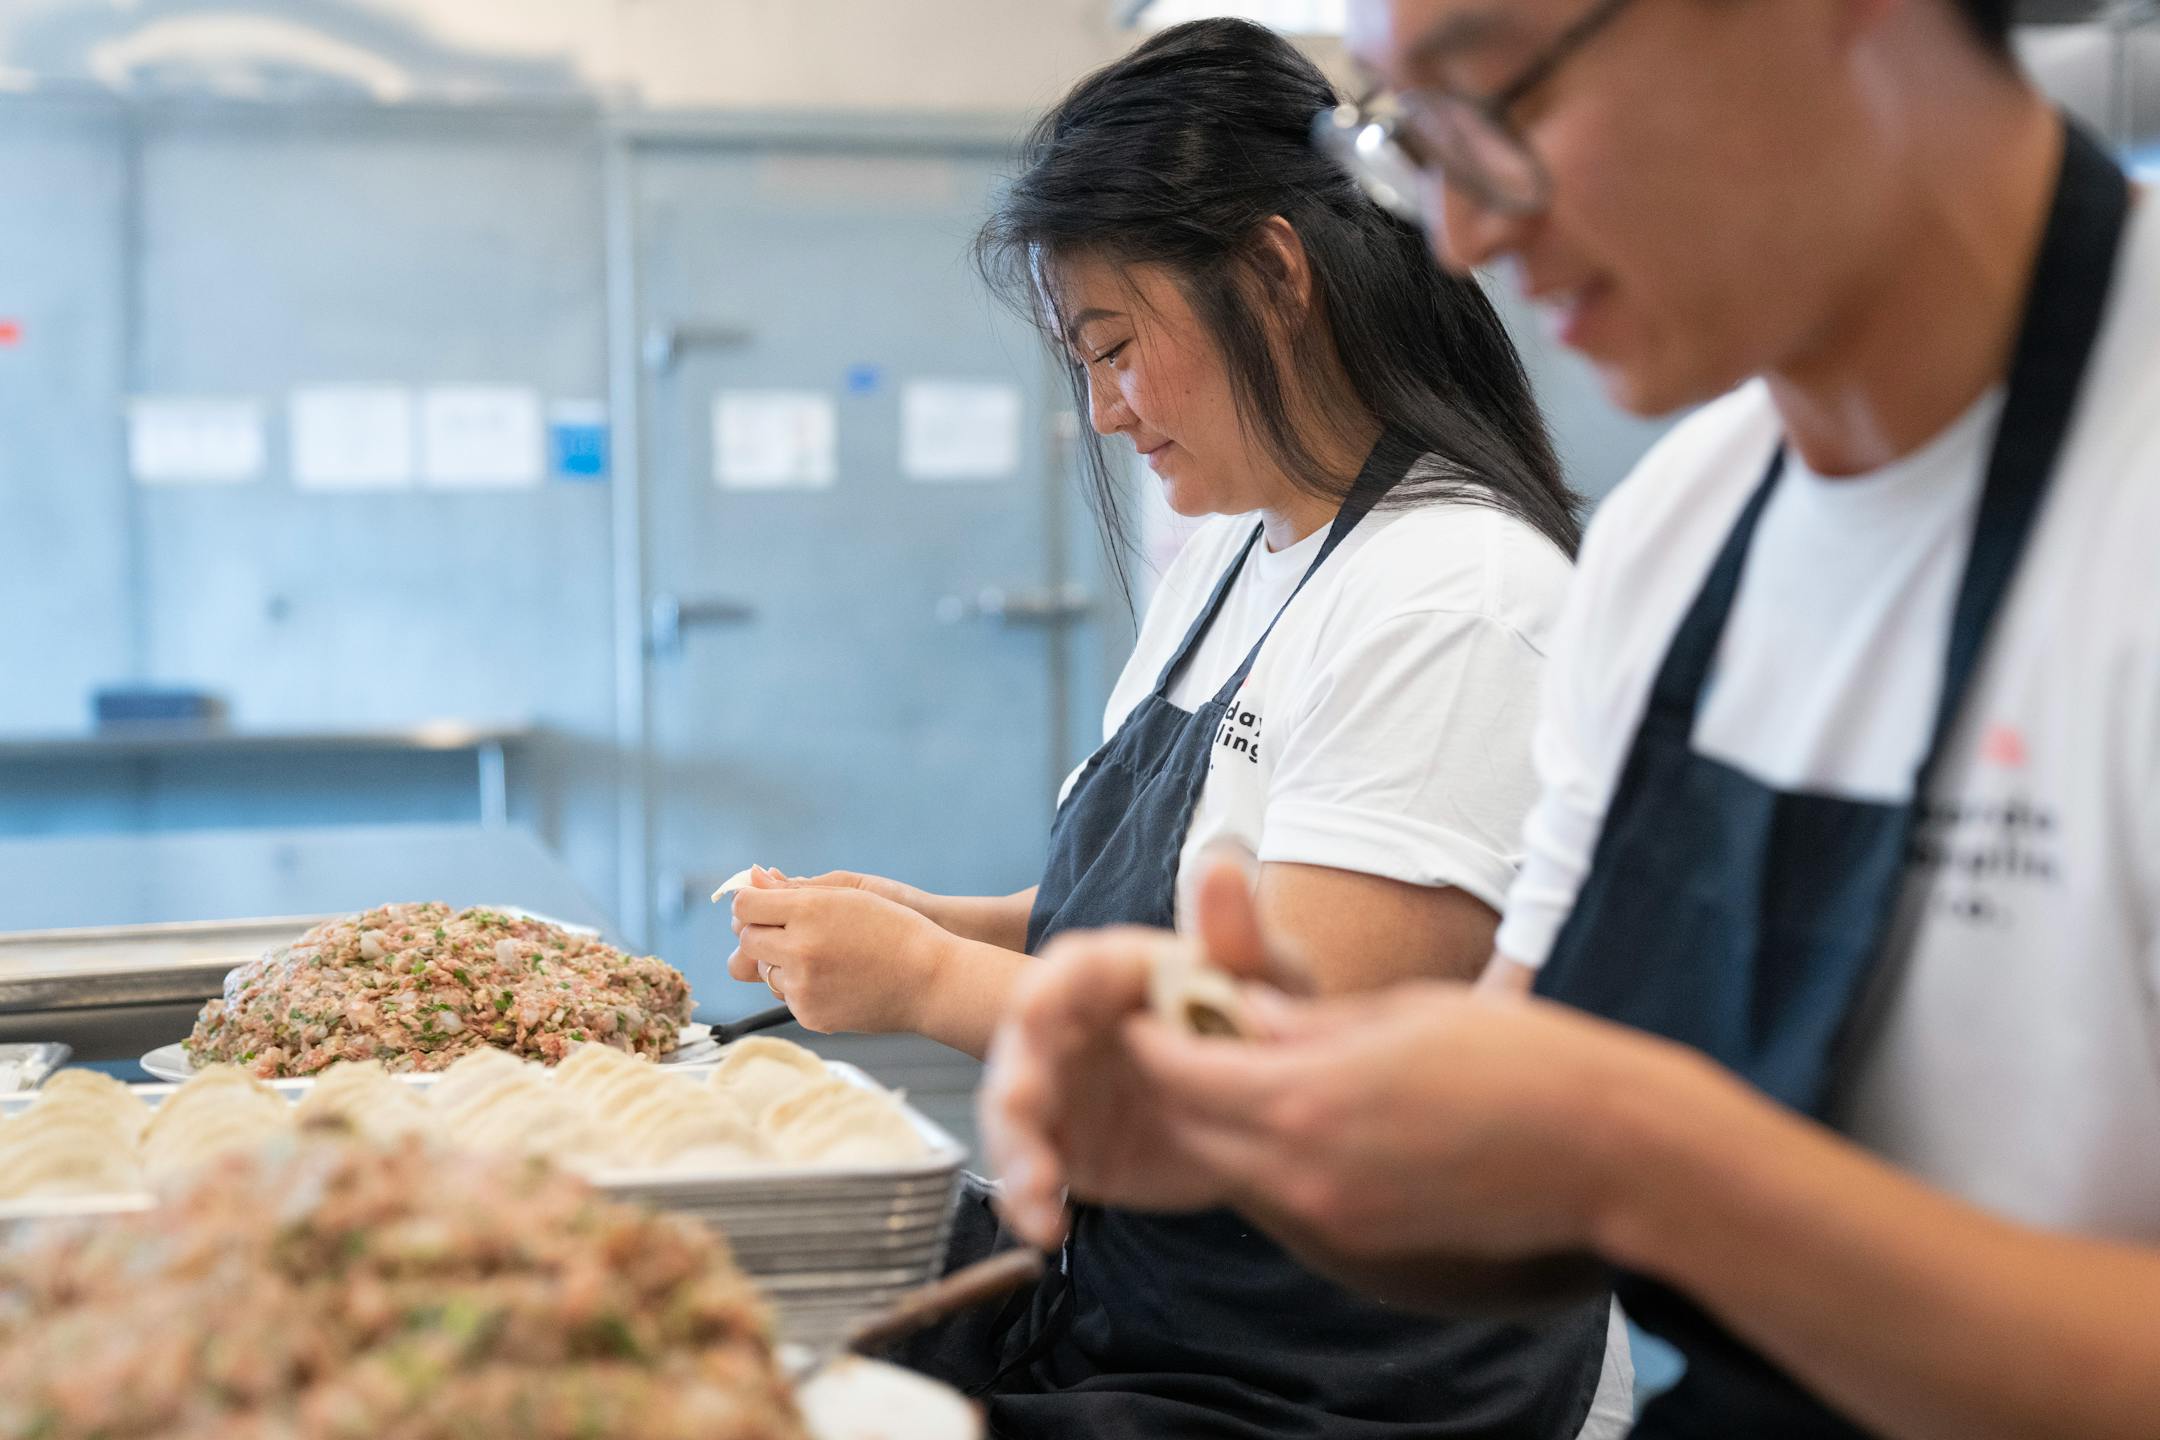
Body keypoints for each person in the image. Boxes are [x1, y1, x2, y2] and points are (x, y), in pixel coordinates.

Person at [981, 0, 2160, 1435]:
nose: (1462, 230)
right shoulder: (1682, 541)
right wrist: (1268, 1102)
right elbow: (1502, 1193)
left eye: (1501, 96)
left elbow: (1597, 1159)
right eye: (1415, 139)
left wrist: (1638, 1160)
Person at [727, 17, 1632, 1438]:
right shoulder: (1237, 552)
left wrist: (926, 982)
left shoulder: (1457, 596)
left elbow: (1291, 1059)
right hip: (1136, 1293)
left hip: (1325, 1379)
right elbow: (1182, 912)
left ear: (1274, 276)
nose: (1103, 412)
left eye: (1116, 348)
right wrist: (947, 922)